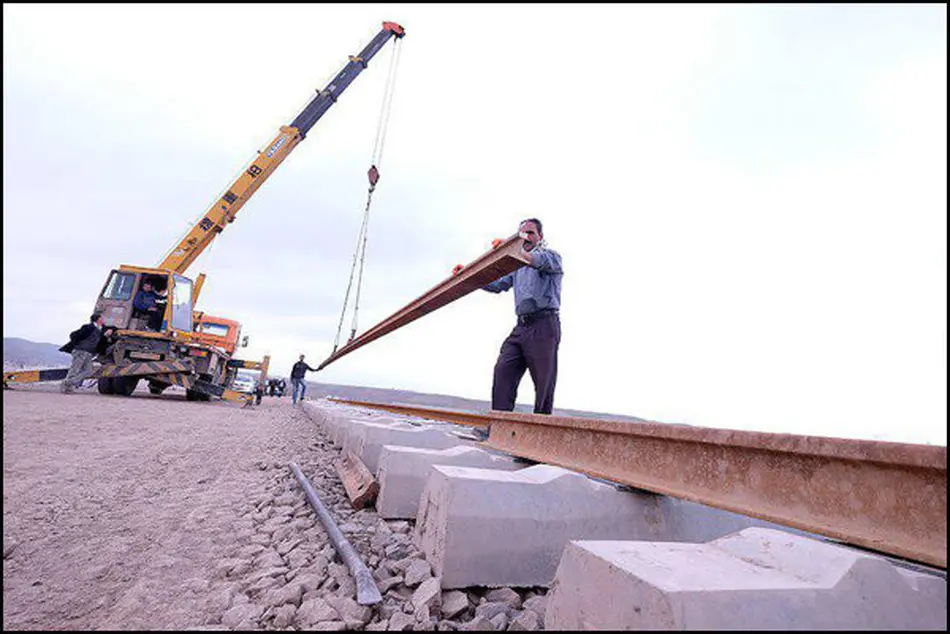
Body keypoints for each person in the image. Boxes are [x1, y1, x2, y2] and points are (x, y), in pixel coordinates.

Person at [481, 217, 563, 427]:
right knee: (503, 369)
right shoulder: (516, 266)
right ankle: (499, 427)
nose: (526, 237)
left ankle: (541, 433)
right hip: (521, 327)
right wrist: (475, 277)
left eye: (530, 233)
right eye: (522, 234)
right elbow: (499, 284)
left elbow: (538, 261)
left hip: (544, 325)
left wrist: (514, 252)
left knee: (543, 382)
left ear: (540, 237)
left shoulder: (550, 256)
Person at [59, 312, 115, 394]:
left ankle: (68, 382)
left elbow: (112, 330)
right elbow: (73, 335)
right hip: (81, 351)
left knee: (88, 371)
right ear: (98, 319)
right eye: (102, 318)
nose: (104, 320)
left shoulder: (101, 329)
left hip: (89, 353)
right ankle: (68, 387)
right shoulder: (88, 327)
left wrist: (106, 335)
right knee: (75, 370)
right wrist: (78, 345)